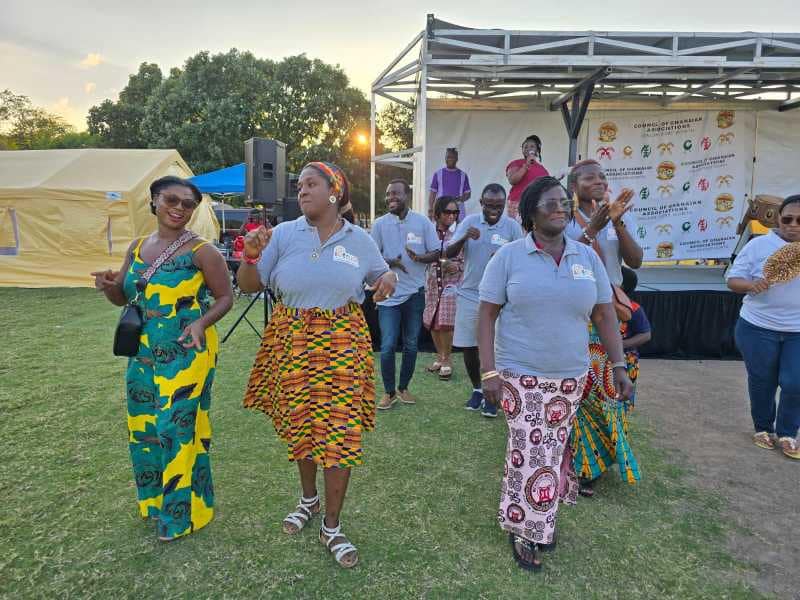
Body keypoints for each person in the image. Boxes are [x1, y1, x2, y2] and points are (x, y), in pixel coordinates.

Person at [237, 162, 396, 568]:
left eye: (311, 184)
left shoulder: (358, 239)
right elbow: (248, 285)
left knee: (340, 432)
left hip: (343, 341)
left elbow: (382, 273)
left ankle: (332, 525)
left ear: (334, 191)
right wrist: (251, 257)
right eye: (300, 186)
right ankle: (309, 500)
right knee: (303, 427)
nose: (302, 191)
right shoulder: (284, 234)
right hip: (292, 339)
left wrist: (388, 279)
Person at [477, 176, 633, 571]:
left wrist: (618, 365)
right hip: (521, 373)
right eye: (551, 203)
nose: (561, 209)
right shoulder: (509, 257)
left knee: (553, 448)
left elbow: (604, 315)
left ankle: (540, 518)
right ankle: (526, 529)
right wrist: (489, 371)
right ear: (531, 212)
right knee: (530, 451)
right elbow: (487, 314)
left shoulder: (586, 258)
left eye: (565, 202)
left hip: (571, 378)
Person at [91, 176, 233, 541]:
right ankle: (155, 504)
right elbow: (124, 298)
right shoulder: (138, 247)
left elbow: (225, 298)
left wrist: (201, 322)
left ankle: (183, 515)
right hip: (142, 354)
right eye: (172, 199)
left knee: (177, 430)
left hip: (187, 352)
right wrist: (109, 287)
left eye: (188, 204)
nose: (179, 208)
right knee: (146, 429)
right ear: (154, 200)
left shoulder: (202, 251)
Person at [565, 160, 644, 497]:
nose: (598, 181)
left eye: (602, 176)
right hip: (574, 311)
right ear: (574, 185)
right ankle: (580, 463)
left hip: (607, 312)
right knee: (580, 391)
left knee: (607, 390)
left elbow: (635, 261)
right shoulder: (564, 218)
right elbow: (566, 258)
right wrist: (592, 228)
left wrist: (617, 222)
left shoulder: (617, 217)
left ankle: (596, 460)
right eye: (589, 177)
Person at [727, 194, 800, 460]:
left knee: (795, 382)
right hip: (757, 327)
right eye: (788, 219)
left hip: (797, 330)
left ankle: (788, 432)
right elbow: (732, 280)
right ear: (778, 219)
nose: (793, 225)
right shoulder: (758, 246)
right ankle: (763, 427)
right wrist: (751, 285)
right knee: (762, 381)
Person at [445, 183, 523, 417]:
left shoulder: (512, 227)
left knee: (496, 347)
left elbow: (521, 259)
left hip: (501, 298)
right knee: (469, 346)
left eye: (499, 206)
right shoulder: (470, 222)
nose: (494, 210)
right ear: (481, 203)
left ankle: (495, 395)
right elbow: (449, 253)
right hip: (470, 293)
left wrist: (503, 257)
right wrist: (464, 238)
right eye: (489, 205)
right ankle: (477, 389)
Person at [371, 179, 441, 409]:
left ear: (406, 196)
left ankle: (403, 388)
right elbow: (372, 257)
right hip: (388, 294)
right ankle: (389, 392)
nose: (391, 197)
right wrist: (391, 262)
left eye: (396, 193)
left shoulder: (422, 222)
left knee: (411, 344)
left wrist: (419, 258)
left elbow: (436, 251)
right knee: (388, 345)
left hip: (414, 294)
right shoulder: (379, 224)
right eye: (388, 194)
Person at [422, 196, 464, 380]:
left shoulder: (460, 232)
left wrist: (457, 266)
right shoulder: (429, 231)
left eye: (455, 212)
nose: (451, 216)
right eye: (447, 212)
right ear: (438, 213)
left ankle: (447, 360)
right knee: (432, 321)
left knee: (445, 323)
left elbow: (468, 258)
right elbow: (424, 253)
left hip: (451, 283)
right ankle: (440, 357)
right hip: (432, 281)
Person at [620, 268, 652, 406]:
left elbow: (646, 335)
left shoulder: (633, 308)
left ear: (621, 285)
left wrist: (619, 345)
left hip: (626, 361)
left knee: (621, 399)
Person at [505, 134, 549, 222]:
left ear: (537, 150)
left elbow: (546, 189)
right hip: (516, 204)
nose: (528, 148)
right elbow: (512, 180)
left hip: (534, 205)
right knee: (516, 230)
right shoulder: (516, 163)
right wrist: (526, 165)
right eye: (525, 147)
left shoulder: (543, 170)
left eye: (532, 146)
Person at [428, 147, 471, 222]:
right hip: (441, 208)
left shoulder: (463, 175)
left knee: (459, 228)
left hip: (458, 211)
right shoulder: (438, 174)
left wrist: (460, 199)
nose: (450, 159)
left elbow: (468, 194)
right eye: (448, 157)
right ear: (445, 158)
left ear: (457, 159)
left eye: (452, 157)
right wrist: (431, 210)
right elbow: (432, 194)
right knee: (441, 228)